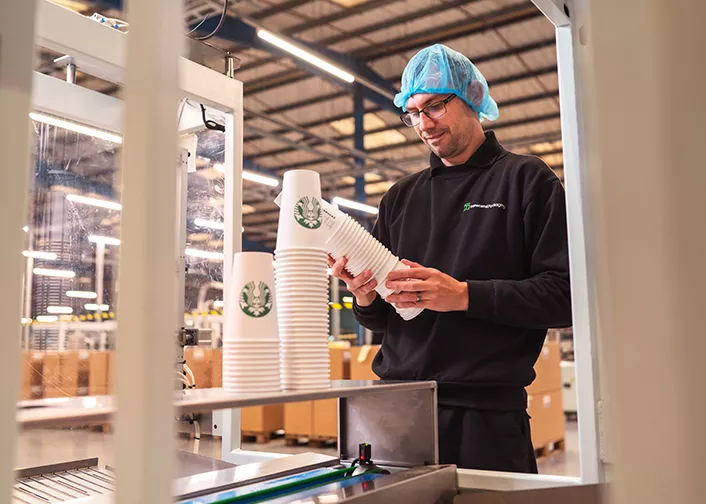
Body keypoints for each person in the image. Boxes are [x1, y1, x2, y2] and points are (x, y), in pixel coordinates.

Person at [328, 44, 572, 473]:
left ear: (473, 95)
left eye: (435, 106)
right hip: (399, 408)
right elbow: (385, 322)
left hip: (486, 415)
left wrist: (463, 295)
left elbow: (565, 296)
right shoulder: (400, 197)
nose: (423, 124)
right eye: (413, 113)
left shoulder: (526, 180)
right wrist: (364, 297)